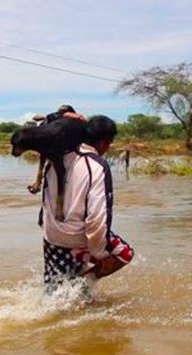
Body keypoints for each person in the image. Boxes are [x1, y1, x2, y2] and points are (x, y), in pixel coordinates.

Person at [40, 114, 134, 293]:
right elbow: (98, 218)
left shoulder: (54, 159)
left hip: (51, 234)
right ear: (105, 142)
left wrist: (63, 115)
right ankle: (82, 284)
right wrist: (100, 254)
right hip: (77, 236)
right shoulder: (97, 165)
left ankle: (64, 289)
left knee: (53, 288)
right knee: (124, 254)